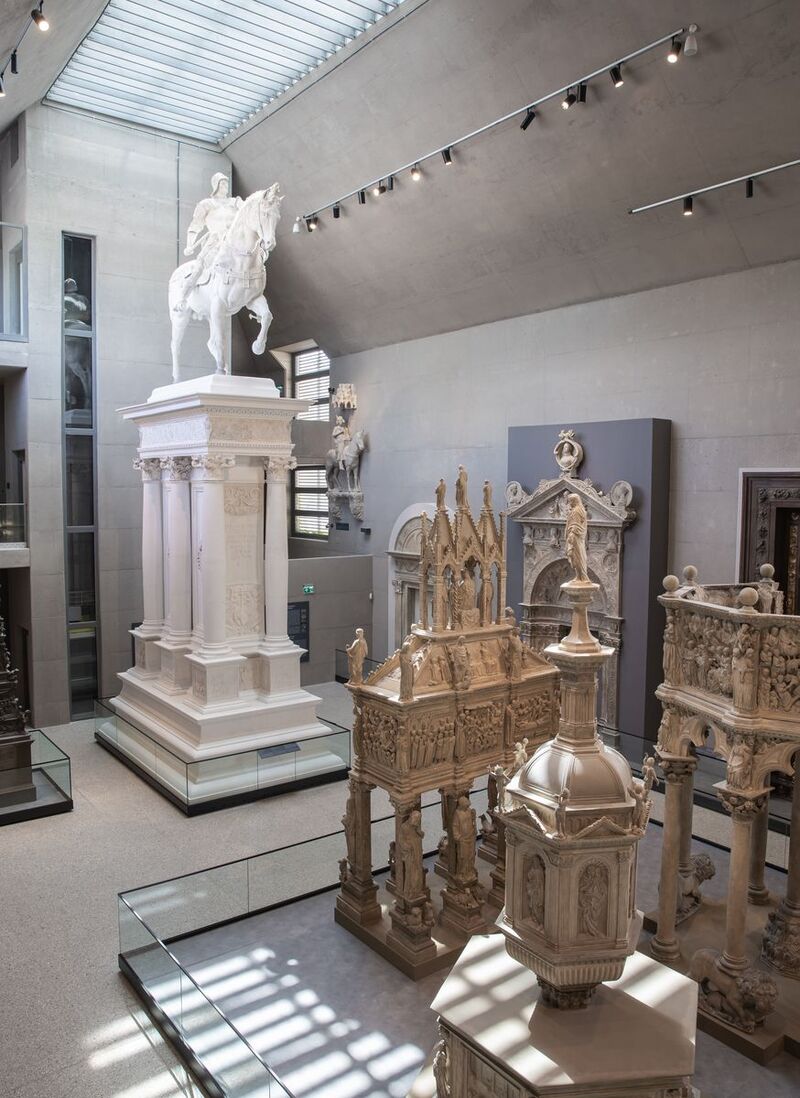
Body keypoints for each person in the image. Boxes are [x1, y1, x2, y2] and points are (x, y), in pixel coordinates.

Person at [175, 173, 242, 312]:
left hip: (234, 243)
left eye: (226, 183)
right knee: (198, 268)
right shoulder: (206, 204)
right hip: (214, 243)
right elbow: (195, 226)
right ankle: (182, 298)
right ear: (216, 185)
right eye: (222, 183)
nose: (225, 186)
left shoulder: (234, 202)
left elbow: (247, 211)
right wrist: (189, 245)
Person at [565, 492, 589, 582]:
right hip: (576, 536)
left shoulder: (576, 511)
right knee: (577, 557)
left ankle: (582, 576)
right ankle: (579, 576)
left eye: (570, 501)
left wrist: (571, 533)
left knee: (577, 557)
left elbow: (576, 524)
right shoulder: (578, 510)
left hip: (575, 536)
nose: (569, 503)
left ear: (575, 501)